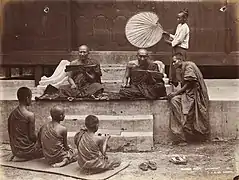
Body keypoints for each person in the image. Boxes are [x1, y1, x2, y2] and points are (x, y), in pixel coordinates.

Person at [167, 52, 209, 145]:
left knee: (186, 111)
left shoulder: (189, 66)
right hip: (187, 94)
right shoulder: (180, 68)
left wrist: (176, 93)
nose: (173, 64)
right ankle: (181, 132)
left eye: (174, 62)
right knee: (174, 101)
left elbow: (189, 83)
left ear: (181, 60)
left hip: (194, 94)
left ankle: (190, 134)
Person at [8, 87, 43, 160]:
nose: (31, 100)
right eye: (31, 97)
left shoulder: (12, 114)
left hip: (15, 150)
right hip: (26, 150)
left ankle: (19, 156)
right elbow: (32, 137)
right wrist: (40, 139)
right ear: (27, 98)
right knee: (49, 150)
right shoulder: (30, 115)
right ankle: (24, 157)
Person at [163, 9, 190, 87]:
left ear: (185, 19)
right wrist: (169, 35)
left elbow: (180, 40)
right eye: (177, 18)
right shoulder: (179, 26)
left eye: (179, 18)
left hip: (180, 50)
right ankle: (174, 82)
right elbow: (176, 37)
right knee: (174, 65)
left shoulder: (185, 27)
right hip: (176, 48)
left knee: (178, 67)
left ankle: (180, 84)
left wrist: (169, 42)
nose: (177, 19)